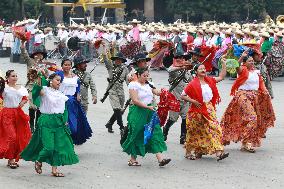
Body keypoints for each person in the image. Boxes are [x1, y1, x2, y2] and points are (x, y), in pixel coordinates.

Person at [21, 73, 79, 177]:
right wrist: (40, 75)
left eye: (60, 80)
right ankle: (38, 161)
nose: (59, 82)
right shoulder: (45, 91)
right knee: (49, 147)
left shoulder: (61, 94)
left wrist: (65, 120)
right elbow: (37, 90)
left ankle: (54, 170)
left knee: (58, 147)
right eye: (57, 80)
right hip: (46, 121)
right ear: (51, 81)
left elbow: (65, 108)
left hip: (59, 122)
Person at [221, 55, 276, 153]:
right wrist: (241, 57)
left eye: (253, 61)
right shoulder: (242, 70)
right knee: (252, 118)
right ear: (245, 63)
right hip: (243, 96)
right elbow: (236, 65)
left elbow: (261, 85)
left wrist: (267, 94)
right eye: (250, 61)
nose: (252, 62)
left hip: (254, 97)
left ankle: (246, 143)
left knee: (251, 120)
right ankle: (246, 142)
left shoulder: (256, 72)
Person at [181, 58, 229, 161]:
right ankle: (190, 152)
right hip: (196, 110)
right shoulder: (192, 84)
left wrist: (224, 64)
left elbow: (221, 76)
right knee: (194, 132)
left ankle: (219, 153)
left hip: (209, 109)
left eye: (204, 68)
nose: (203, 70)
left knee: (215, 128)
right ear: (196, 72)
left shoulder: (209, 80)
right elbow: (183, 96)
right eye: (200, 69)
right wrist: (193, 101)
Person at [122, 67, 171, 167]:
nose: (146, 77)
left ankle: (160, 159)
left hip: (150, 112)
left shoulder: (149, 84)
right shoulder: (133, 85)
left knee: (154, 132)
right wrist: (148, 107)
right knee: (137, 133)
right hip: (138, 112)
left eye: (147, 76)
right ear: (138, 75)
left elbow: (156, 92)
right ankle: (132, 159)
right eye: (144, 76)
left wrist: (164, 92)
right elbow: (135, 100)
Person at [56, 59, 93, 145]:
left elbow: (78, 86)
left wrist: (78, 94)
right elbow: (52, 83)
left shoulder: (74, 76)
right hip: (61, 101)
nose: (67, 66)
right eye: (65, 64)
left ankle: (70, 141)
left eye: (69, 65)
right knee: (62, 124)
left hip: (72, 102)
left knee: (74, 127)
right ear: (62, 66)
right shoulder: (59, 74)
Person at [0, 70, 31, 169]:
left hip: (18, 114)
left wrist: (23, 102)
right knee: (12, 136)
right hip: (7, 114)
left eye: (16, 76)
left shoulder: (21, 88)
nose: (15, 78)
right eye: (13, 76)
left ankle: (11, 159)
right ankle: (10, 158)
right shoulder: (4, 88)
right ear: (7, 78)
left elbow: (25, 98)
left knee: (18, 137)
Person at [163, 54, 192, 144]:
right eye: (178, 58)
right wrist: (182, 67)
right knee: (173, 118)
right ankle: (166, 128)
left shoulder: (188, 71)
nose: (181, 60)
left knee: (185, 117)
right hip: (175, 98)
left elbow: (191, 82)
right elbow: (170, 70)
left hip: (185, 99)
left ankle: (183, 136)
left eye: (183, 58)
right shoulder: (173, 68)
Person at [21, 40, 48, 133]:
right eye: (37, 54)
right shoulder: (30, 62)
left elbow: (47, 77)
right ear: (34, 54)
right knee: (32, 107)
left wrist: (44, 73)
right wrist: (22, 43)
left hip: (41, 88)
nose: (39, 56)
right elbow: (24, 54)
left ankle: (37, 125)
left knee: (40, 107)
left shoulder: (44, 65)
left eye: (41, 54)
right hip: (32, 87)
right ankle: (31, 126)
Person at [104, 52, 129, 134]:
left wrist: (133, 89)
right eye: (117, 59)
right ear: (114, 60)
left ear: (122, 61)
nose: (118, 61)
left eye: (120, 60)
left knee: (119, 110)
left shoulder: (125, 69)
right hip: (112, 90)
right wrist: (104, 51)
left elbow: (128, 81)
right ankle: (121, 127)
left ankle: (110, 123)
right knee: (117, 108)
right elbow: (106, 60)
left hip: (120, 90)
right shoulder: (110, 67)